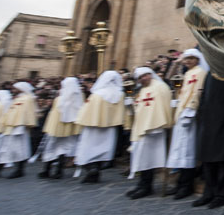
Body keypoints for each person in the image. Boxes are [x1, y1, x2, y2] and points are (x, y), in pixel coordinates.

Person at [165, 49, 208, 199]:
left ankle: (186, 185)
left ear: (197, 59)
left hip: (189, 115)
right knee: (179, 150)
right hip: (181, 113)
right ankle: (179, 183)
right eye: (186, 59)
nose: (188, 61)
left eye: (191, 58)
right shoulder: (187, 73)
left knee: (187, 150)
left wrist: (190, 109)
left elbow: (197, 91)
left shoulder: (200, 72)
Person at [126, 67, 173, 199]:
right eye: (139, 78)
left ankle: (146, 186)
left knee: (148, 159)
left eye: (144, 76)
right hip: (142, 128)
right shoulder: (143, 89)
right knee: (142, 158)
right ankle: (142, 184)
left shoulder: (160, 87)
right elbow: (141, 107)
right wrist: (131, 104)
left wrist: (157, 123)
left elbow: (162, 105)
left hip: (153, 128)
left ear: (150, 75)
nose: (142, 79)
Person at [194, 72, 224, 209]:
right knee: (207, 159)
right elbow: (204, 94)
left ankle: (222, 194)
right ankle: (209, 192)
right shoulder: (210, 73)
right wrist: (202, 111)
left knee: (223, 159)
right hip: (208, 119)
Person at [75, 70, 125, 183]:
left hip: (93, 126)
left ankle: (91, 169)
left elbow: (87, 110)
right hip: (109, 127)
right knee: (102, 149)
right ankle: (96, 170)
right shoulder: (119, 94)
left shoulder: (97, 94)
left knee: (88, 148)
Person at [38, 77, 84, 179]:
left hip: (57, 127)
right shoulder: (78, 98)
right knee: (63, 148)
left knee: (51, 147)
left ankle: (48, 169)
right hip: (68, 128)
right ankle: (57, 170)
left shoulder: (60, 98)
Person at [0, 82, 37, 179]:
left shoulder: (28, 99)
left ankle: (19, 169)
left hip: (19, 126)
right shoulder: (17, 98)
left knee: (19, 148)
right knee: (5, 148)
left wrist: (24, 124)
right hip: (11, 126)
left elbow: (29, 113)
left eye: (15, 88)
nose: (13, 90)